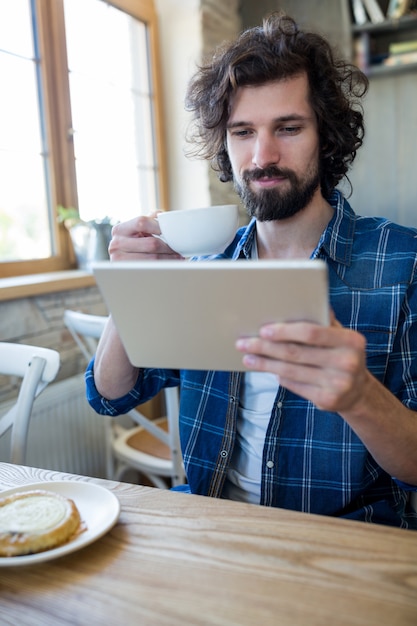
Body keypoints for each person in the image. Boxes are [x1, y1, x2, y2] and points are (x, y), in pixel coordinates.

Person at [86, 13, 417, 528]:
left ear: (325, 137)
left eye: (287, 128)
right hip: (211, 532)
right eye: (243, 132)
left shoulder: (405, 263)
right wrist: (130, 286)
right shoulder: (202, 267)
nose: (262, 156)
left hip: (346, 544)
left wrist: (360, 398)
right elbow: (110, 394)